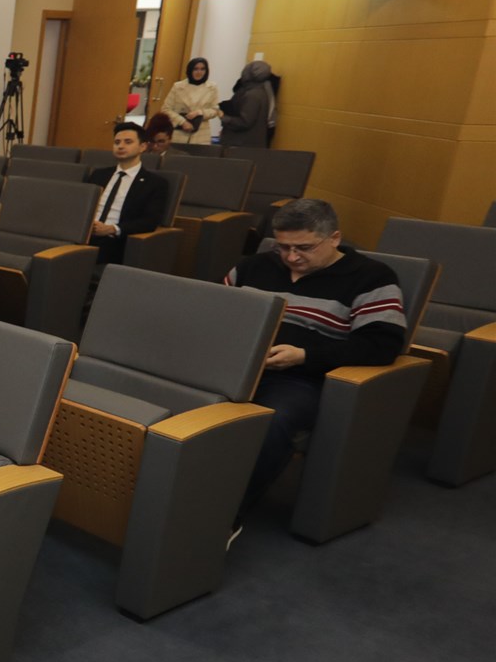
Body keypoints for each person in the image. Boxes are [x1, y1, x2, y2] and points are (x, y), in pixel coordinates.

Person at [225, 199, 406, 528]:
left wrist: (305, 355)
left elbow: (382, 346)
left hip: (303, 378)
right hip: (237, 363)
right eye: (283, 247)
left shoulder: (372, 278)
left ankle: (224, 515)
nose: (292, 257)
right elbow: (216, 311)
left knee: (273, 420)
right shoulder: (253, 266)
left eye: (304, 248)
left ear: (334, 238)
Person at [83, 121, 170, 266]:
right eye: (117, 142)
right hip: (85, 233)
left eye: (128, 142)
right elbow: (81, 206)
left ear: (143, 146)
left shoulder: (155, 183)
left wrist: (112, 229)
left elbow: (150, 221)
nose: (121, 146)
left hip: (115, 240)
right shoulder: (99, 175)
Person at [218, 60, 277, 149]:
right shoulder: (262, 90)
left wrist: (224, 117)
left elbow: (245, 122)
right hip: (247, 143)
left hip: (242, 144)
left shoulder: (252, 95)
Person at [161, 57, 219, 144]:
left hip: (201, 134)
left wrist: (200, 112)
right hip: (179, 132)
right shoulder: (178, 86)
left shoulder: (212, 88)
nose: (199, 72)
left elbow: (215, 110)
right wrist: (182, 122)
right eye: (196, 69)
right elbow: (165, 109)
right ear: (190, 70)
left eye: (202, 69)